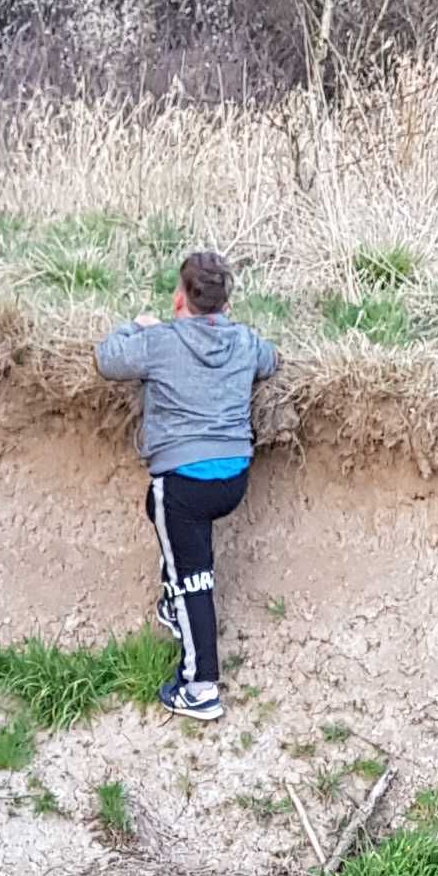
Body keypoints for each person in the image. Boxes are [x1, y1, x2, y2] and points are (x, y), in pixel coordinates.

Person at [95, 249, 278, 725]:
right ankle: (173, 604)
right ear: (225, 303)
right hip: (232, 478)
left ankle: (200, 687)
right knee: (169, 524)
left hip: (183, 480)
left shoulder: (159, 341)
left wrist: (136, 325)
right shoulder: (244, 340)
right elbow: (271, 360)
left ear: (181, 298)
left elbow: (107, 359)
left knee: (194, 579)